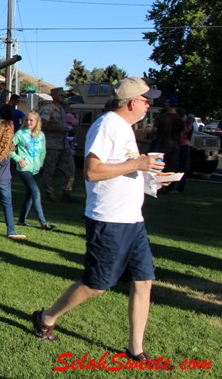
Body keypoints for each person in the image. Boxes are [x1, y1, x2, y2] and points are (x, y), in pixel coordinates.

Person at [32, 78, 168, 366]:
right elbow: (92, 171)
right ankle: (46, 317)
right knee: (97, 284)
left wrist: (150, 177)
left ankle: (136, 350)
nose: (149, 104)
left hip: (133, 220)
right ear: (132, 102)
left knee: (144, 283)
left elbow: (121, 170)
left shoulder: (126, 129)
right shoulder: (107, 125)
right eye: (146, 100)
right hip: (109, 221)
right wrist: (138, 164)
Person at [0, 105, 27, 240]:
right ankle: (11, 230)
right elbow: (14, 148)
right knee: (7, 204)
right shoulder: (7, 148)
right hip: (4, 179)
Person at [14, 112, 53, 230]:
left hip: (36, 170)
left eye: (31, 120)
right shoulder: (20, 133)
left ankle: (21, 220)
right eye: (27, 120)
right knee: (36, 192)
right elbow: (8, 148)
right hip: (24, 169)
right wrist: (18, 159)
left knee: (30, 195)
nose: (28, 122)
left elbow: (43, 151)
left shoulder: (41, 135)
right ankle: (43, 223)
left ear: (37, 122)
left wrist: (40, 164)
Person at [39, 87, 76, 202]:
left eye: (63, 96)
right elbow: (41, 125)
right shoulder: (48, 109)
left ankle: (67, 192)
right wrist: (59, 129)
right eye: (61, 95)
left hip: (63, 145)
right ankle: (49, 193)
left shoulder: (62, 110)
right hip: (51, 145)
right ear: (54, 96)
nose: (63, 97)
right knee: (49, 170)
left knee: (70, 168)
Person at [152, 97, 184, 192]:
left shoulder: (162, 117)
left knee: (158, 166)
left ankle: (158, 186)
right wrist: (179, 144)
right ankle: (169, 187)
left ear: (168, 105)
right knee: (171, 167)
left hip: (161, 144)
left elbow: (155, 129)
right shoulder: (179, 119)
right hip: (173, 145)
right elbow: (181, 133)